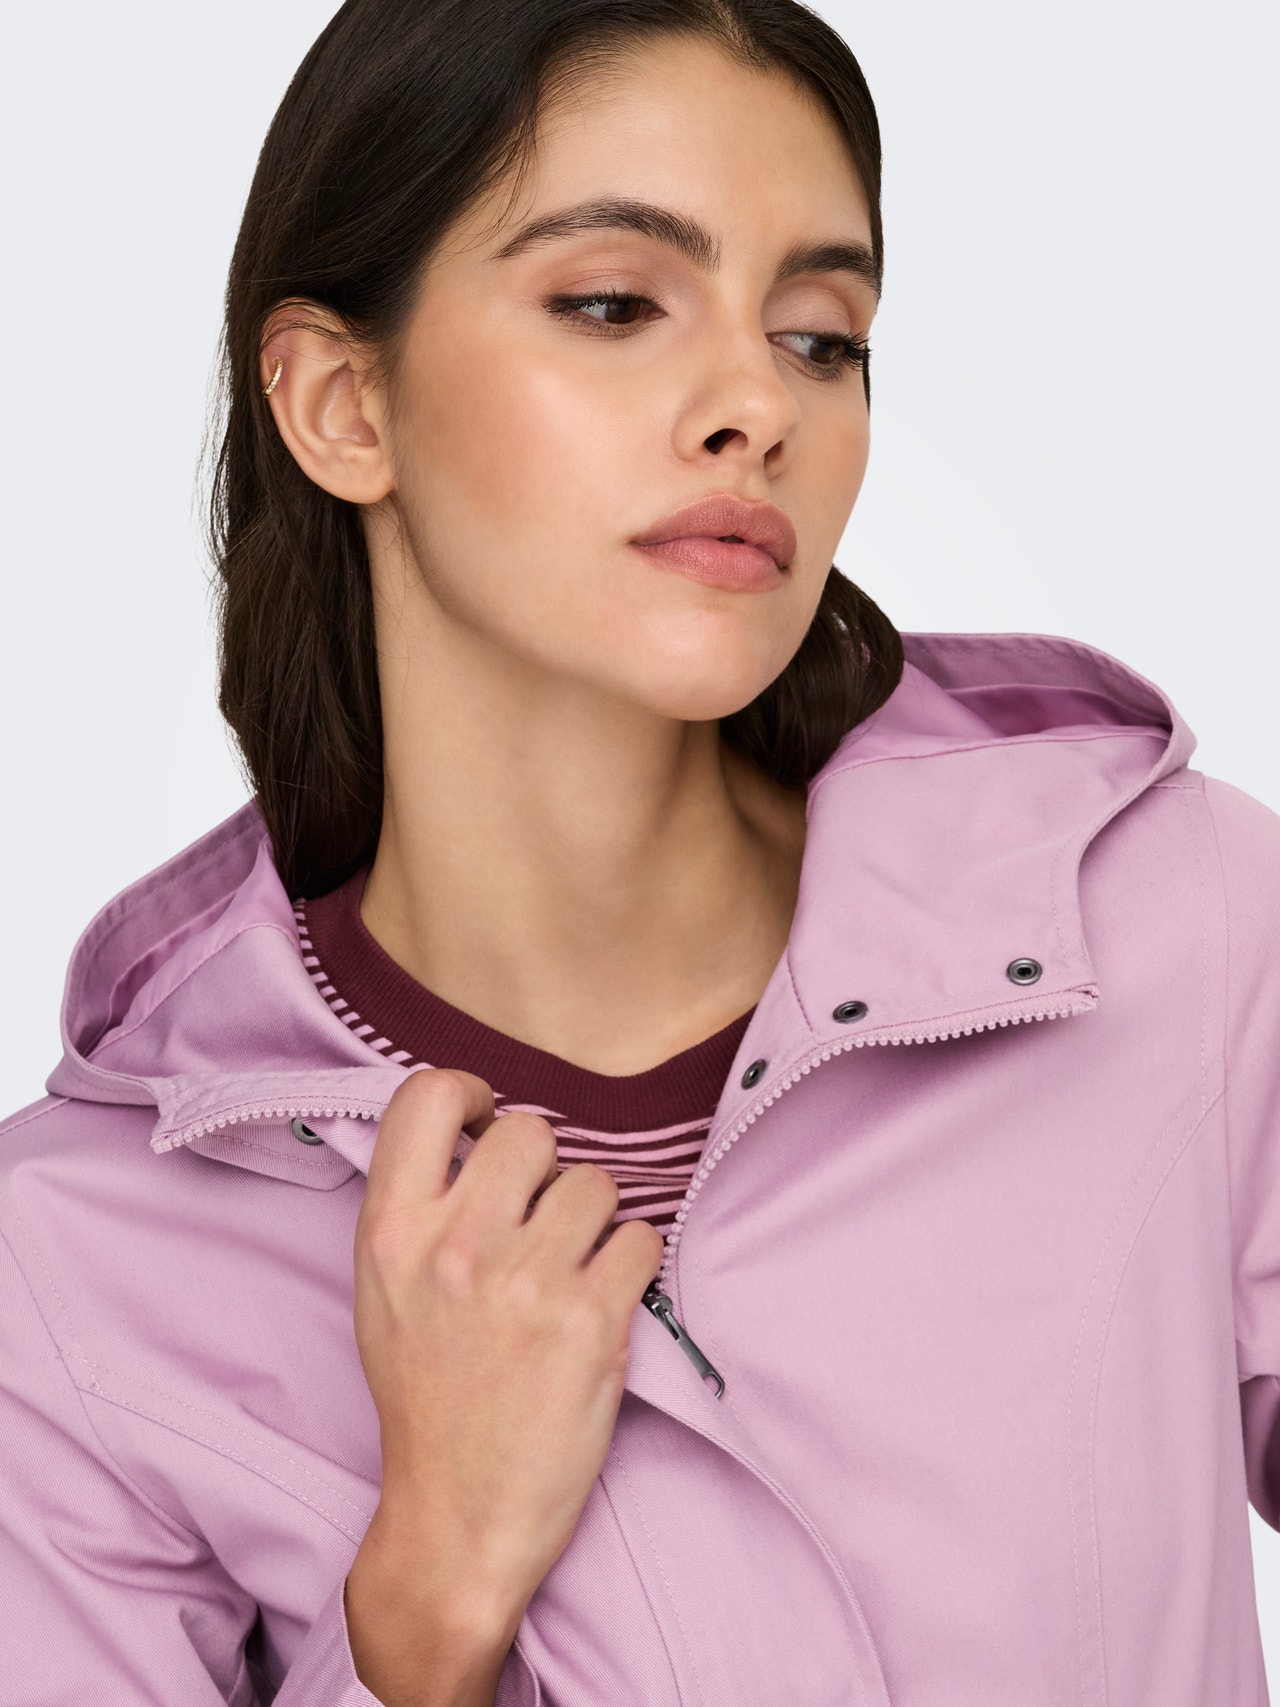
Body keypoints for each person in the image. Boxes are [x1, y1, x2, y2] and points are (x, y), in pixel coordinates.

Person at [3, 0, 1279, 1703]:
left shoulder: (1177, 928)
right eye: (613, 304)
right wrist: (431, 1595)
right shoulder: (73, 1270)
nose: (757, 403)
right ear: (341, 404)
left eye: (820, 336)